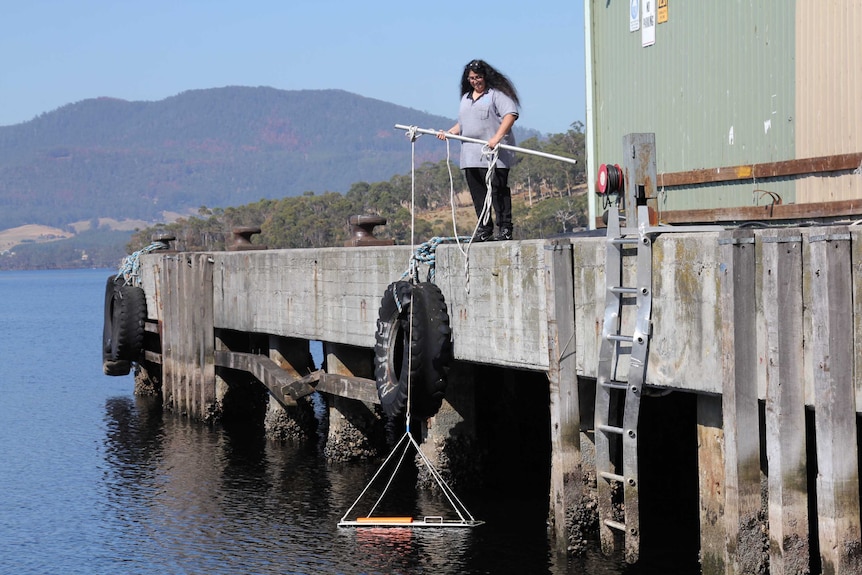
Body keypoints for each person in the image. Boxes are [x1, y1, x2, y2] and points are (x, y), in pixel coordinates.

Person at [438, 59, 520, 241]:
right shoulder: (466, 99)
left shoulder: (496, 95)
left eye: (479, 77)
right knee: (479, 194)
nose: (476, 81)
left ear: (486, 77)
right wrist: (449, 133)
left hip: (494, 155)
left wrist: (497, 137)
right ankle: (484, 229)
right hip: (470, 156)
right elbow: (464, 123)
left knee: (498, 191)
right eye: (472, 78)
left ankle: (505, 228)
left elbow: (510, 115)